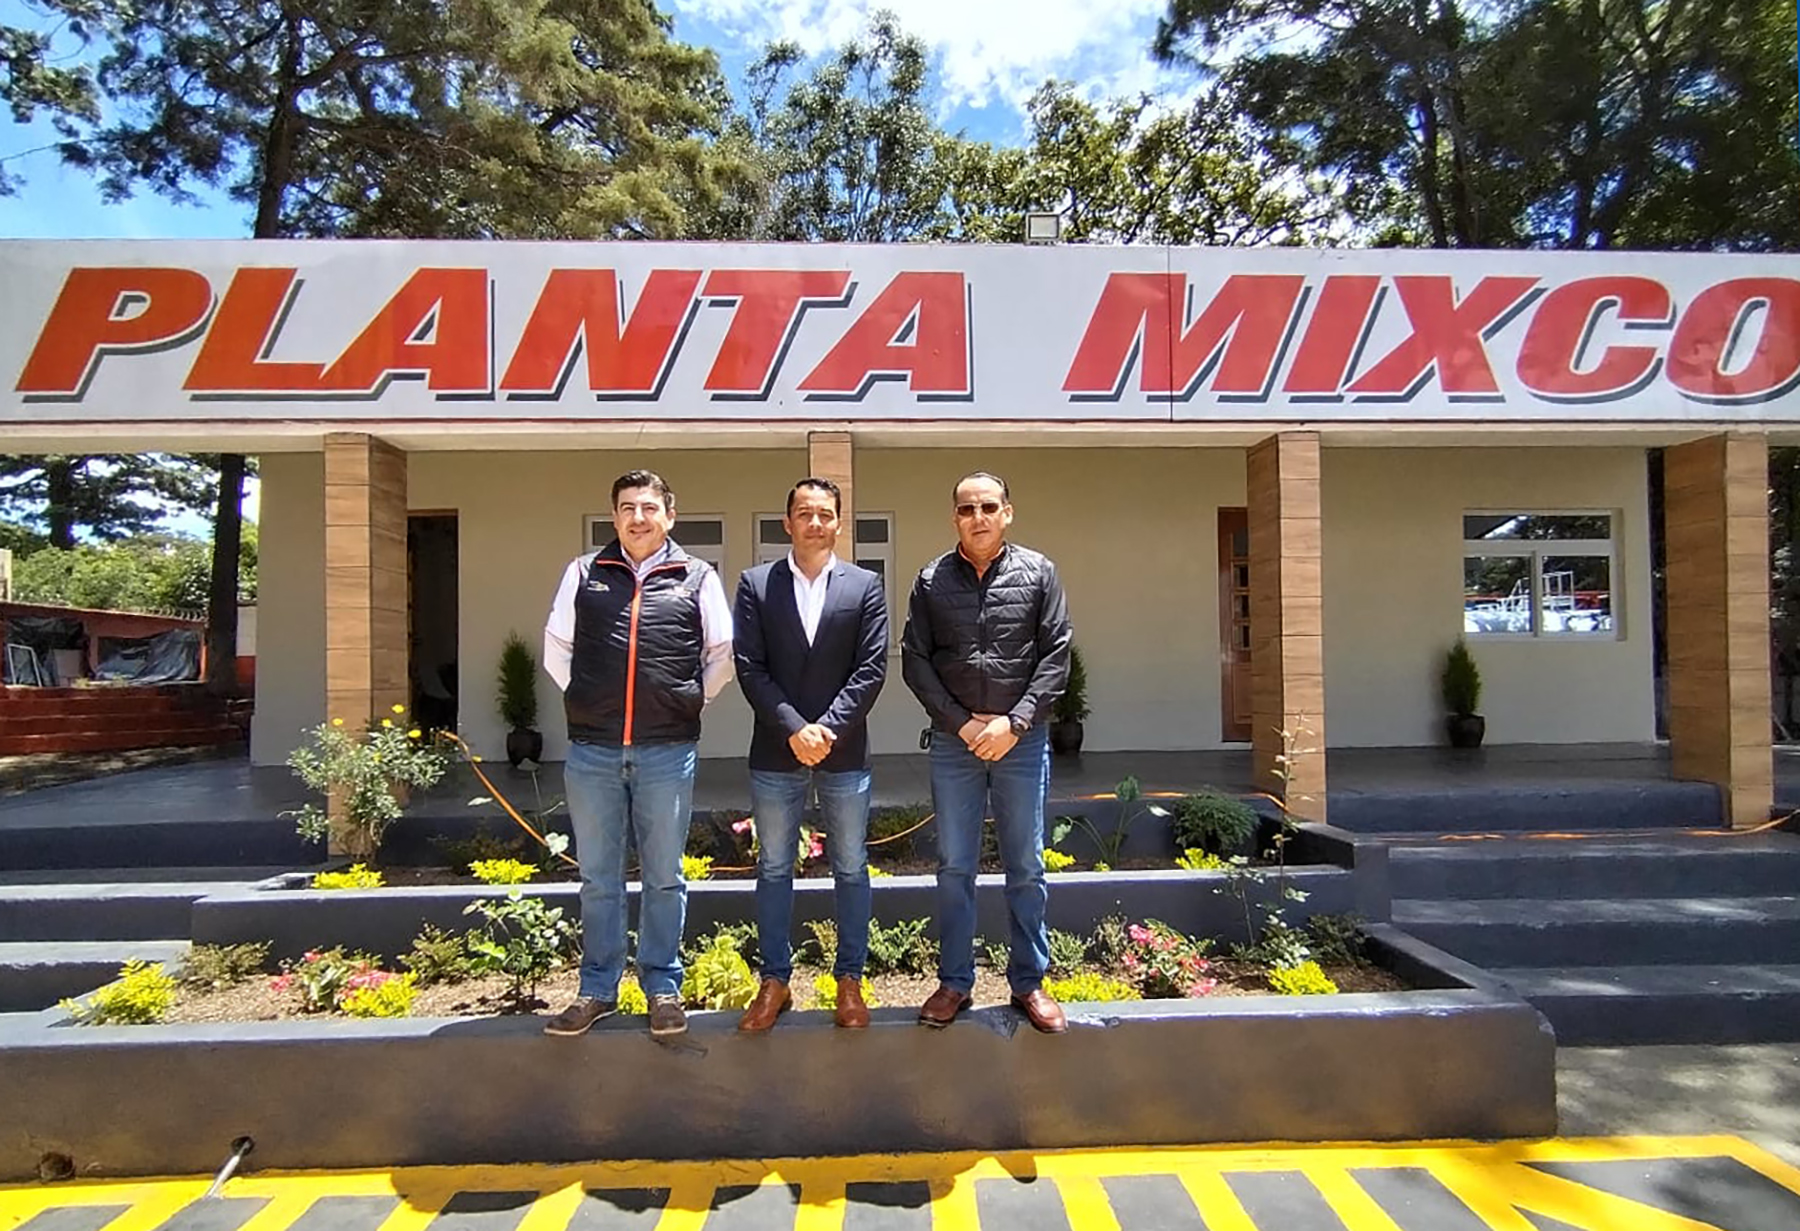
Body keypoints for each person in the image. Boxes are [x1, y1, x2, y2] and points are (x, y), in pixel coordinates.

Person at [540, 469, 734, 1040]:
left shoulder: (696, 576)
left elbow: (720, 653)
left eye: (650, 507)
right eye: (627, 507)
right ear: (615, 515)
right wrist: (586, 699)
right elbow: (557, 648)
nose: (638, 517)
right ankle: (597, 988)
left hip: (665, 751)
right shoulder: (584, 574)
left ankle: (662, 987)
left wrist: (688, 699)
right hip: (594, 751)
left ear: (669, 516)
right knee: (598, 878)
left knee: (664, 876)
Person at [901, 471, 1072, 1033]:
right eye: (967, 508)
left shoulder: (1039, 573)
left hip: (1019, 743)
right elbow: (915, 660)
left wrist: (1014, 722)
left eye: (988, 506)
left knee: (1025, 865)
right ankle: (955, 982)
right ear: (955, 518)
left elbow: (1056, 657)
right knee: (955, 867)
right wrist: (961, 723)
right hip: (955, 745)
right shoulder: (930, 582)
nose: (978, 516)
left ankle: (1029, 982)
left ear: (1008, 513)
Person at [733, 478, 889, 1031]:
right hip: (776, 752)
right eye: (805, 513)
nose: (816, 523)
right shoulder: (756, 584)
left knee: (850, 868)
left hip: (845, 754)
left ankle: (850, 981)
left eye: (826, 514)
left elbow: (872, 669)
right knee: (774, 868)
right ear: (788, 523)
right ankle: (774, 981)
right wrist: (796, 728)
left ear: (839, 523)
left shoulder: (866, 585)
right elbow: (749, 667)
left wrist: (826, 730)